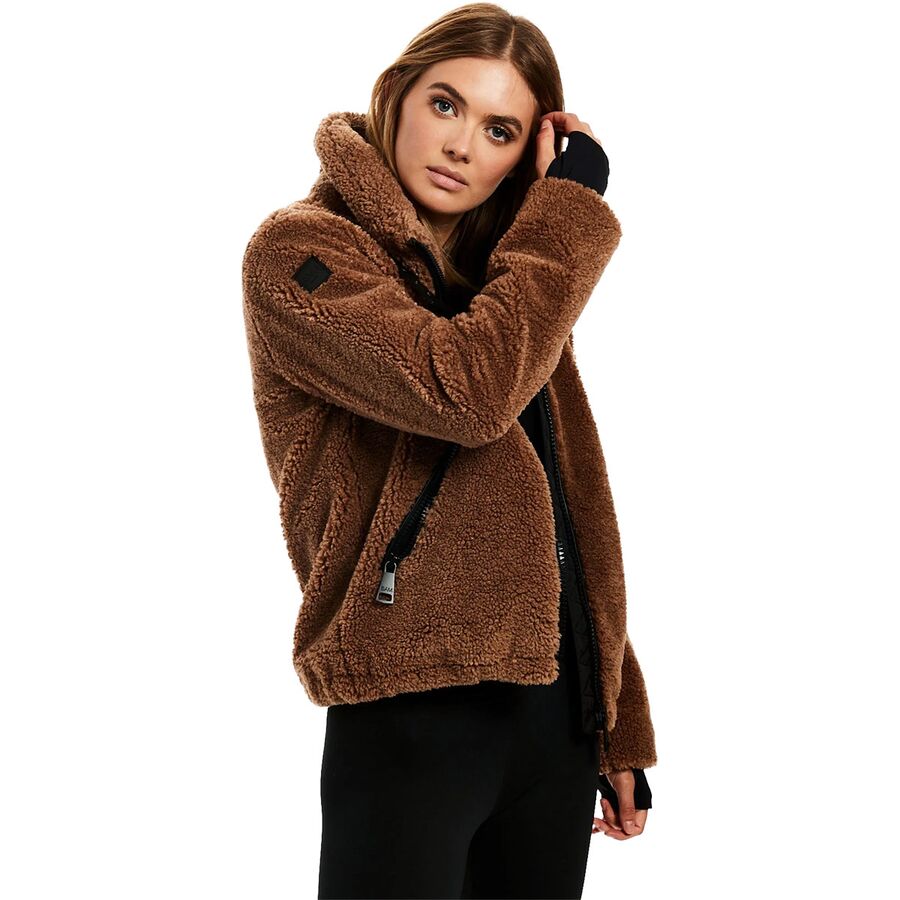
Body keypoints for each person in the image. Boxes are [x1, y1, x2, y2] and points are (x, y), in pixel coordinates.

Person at [241, 5, 658, 898]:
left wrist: (616, 718)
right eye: (445, 104)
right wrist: (567, 215)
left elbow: (573, 497)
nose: (463, 145)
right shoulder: (301, 254)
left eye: (500, 130)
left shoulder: (512, 289)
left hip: (555, 717)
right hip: (408, 706)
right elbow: (463, 394)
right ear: (396, 93)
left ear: (522, 154)